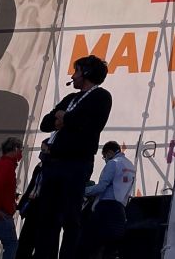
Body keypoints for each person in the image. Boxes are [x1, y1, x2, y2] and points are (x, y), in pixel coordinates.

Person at [29, 56, 112, 259]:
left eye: (76, 71)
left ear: (86, 73)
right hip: (54, 164)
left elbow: (89, 125)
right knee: (47, 216)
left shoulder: (101, 97)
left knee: (70, 216)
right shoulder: (71, 98)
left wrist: (65, 117)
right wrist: (64, 118)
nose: (73, 76)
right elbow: (46, 123)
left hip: (76, 164)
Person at [82, 141, 134, 259]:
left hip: (106, 208)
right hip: (120, 210)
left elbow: (101, 187)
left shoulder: (113, 163)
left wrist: (83, 190)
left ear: (109, 152)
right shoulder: (130, 165)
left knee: (93, 243)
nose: (105, 159)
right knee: (111, 248)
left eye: (104, 156)